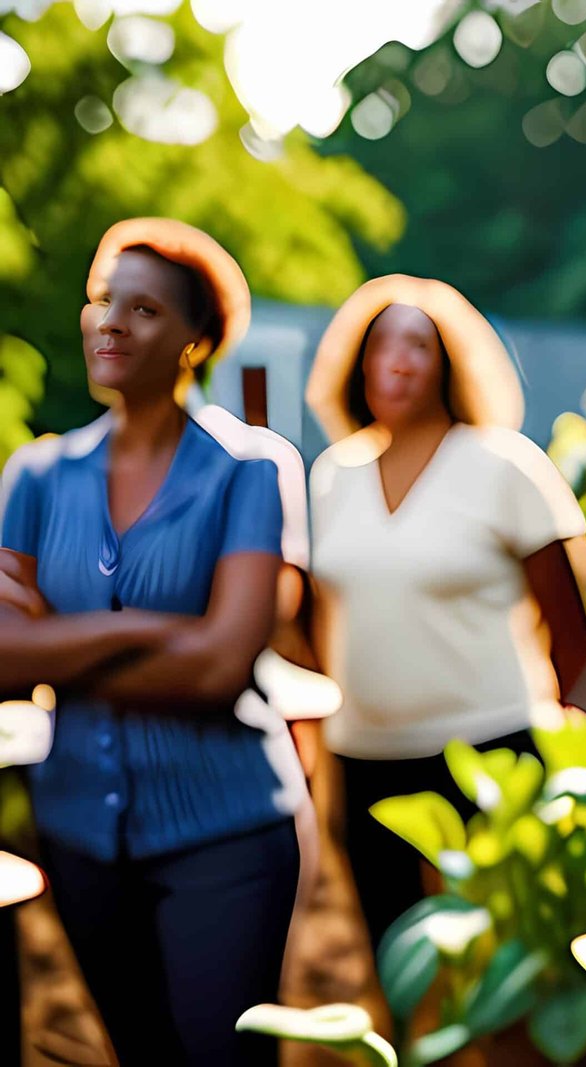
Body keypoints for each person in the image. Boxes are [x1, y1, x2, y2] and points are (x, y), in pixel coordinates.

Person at [0, 218, 297, 1065]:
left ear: (196, 340)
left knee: (220, 1055)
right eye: (102, 300)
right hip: (78, 830)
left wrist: (54, 644)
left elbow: (219, 666)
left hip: (226, 833)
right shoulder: (36, 475)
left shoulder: (249, 469)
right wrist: (142, 628)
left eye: (144, 310)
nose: (111, 323)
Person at [303, 274, 586, 951]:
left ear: (448, 364)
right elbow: (322, 626)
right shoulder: (333, 477)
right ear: (359, 364)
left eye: (419, 345)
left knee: (502, 963)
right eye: (381, 344)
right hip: (365, 756)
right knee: (395, 956)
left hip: (489, 752)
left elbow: (573, 633)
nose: (399, 360)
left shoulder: (504, 465)